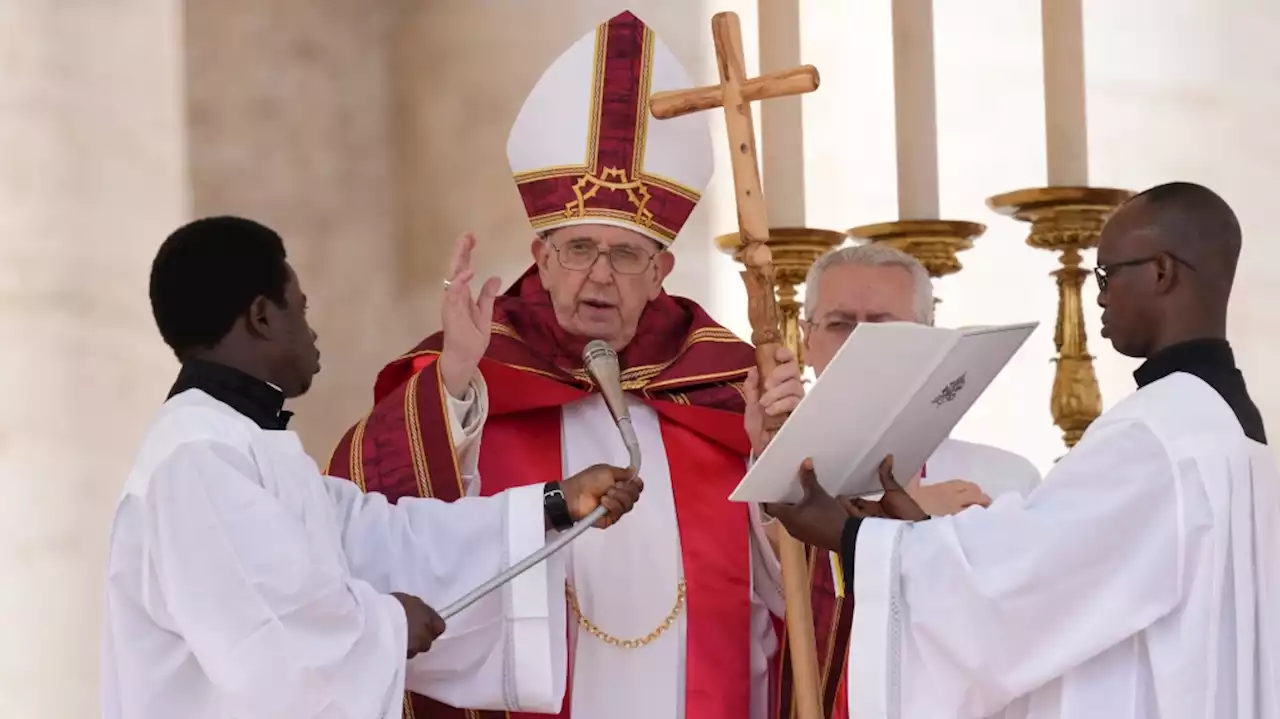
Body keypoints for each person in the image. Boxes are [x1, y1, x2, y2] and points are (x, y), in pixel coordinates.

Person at [326, 11, 822, 719]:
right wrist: (456, 387)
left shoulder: (721, 388)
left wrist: (774, 461)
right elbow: (369, 530)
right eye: (578, 248)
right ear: (541, 259)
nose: (599, 276)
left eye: (624, 255)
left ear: (661, 272)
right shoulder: (473, 372)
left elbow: (798, 593)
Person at [766, 182, 1280, 718]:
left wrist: (849, 535)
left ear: (1160, 272)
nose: (1098, 295)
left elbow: (1019, 591)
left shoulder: (1157, 435)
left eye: (1106, 274)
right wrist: (918, 528)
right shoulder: (1219, 420)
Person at [101, 216, 644, 719]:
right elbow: (276, 643)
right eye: (301, 309)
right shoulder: (198, 457)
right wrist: (389, 624)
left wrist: (556, 503)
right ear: (263, 317)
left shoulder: (244, 444)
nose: (312, 334)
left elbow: (382, 541)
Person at [802, 243, 1041, 515]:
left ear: (930, 342)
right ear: (806, 341)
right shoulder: (770, 478)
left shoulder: (1008, 483)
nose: (858, 343)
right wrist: (904, 518)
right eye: (839, 324)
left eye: (882, 326)